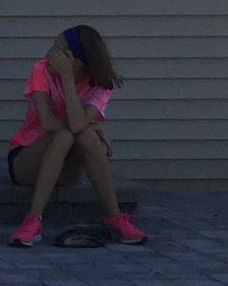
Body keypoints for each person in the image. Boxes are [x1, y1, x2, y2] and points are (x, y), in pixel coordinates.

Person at [7, 25, 145, 246]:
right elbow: (48, 123)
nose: (48, 54)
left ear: (76, 62)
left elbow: (79, 125)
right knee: (68, 134)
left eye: (57, 50)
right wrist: (89, 124)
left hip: (67, 170)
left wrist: (68, 80)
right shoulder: (40, 70)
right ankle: (32, 220)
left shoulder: (100, 85)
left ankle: (115, 217)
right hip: (26, 160)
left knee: (83, 135)